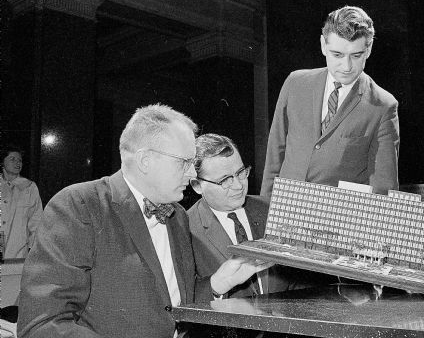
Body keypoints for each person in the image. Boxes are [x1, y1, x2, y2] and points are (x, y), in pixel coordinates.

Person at [17, 104, 269, 338]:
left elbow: (172, 305)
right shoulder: (80, 205)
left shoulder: (177, 215)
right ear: (145, 160)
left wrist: (219, 282)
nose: (192, 173)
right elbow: (42, 324)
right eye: (185, 162)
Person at [261, 5, 400, 197]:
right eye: (337, 55)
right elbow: (275, 154)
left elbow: (383, 186)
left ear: (368, 50)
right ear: (323, 45)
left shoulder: (384, 105)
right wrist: (265, 208)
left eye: (356, 55)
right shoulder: (295, 83)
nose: (347, 66)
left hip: (338, 221)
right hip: (285, 211)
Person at [188, 134, 291, 299]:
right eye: (225, 180)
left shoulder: (273, 210)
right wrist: (216, 287)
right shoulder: (186, 229)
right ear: (197, 185)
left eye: (241, 172)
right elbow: (184, 298)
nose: (238, 186)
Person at [0, 145, 43, 260]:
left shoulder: (29, 187)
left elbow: (36, 220)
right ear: (2, 162)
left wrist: (34, 250)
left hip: (17, 252)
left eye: (20, 160)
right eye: (12, 159)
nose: (17, 163)